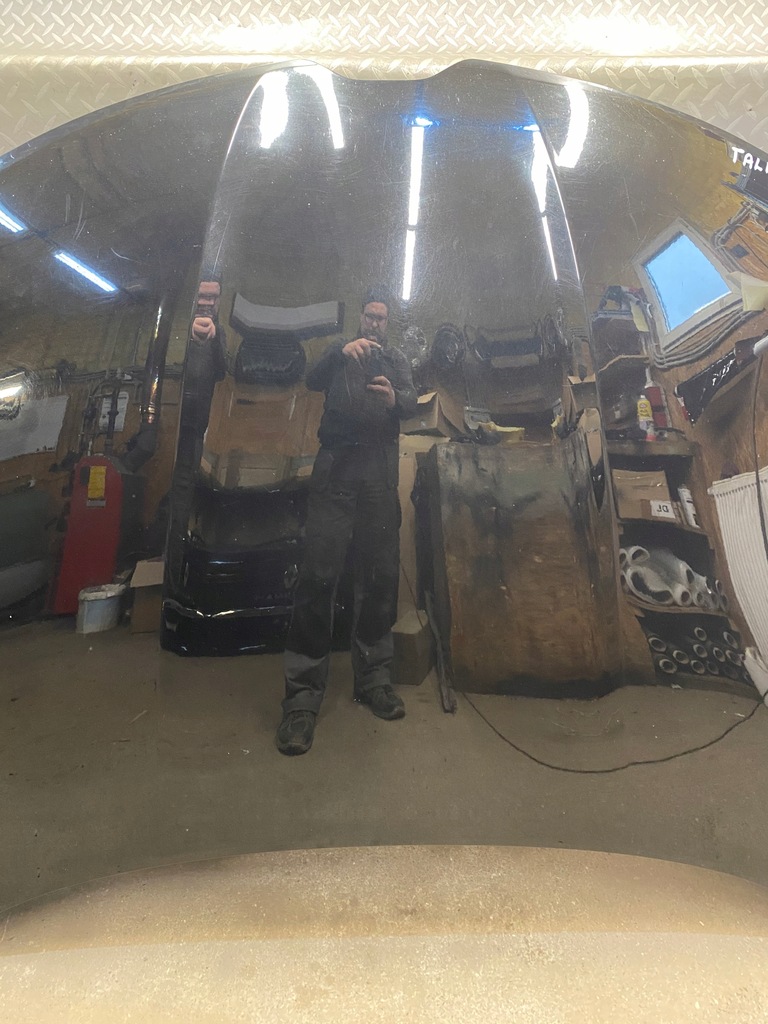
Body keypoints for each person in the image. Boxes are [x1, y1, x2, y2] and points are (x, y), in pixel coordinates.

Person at [276, 289, 418, 755]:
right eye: (369, 316)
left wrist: (395, 397)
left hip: (378, 471)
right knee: (318, 576)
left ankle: (374, 679)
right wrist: (340, 352)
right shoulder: (340, 351)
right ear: (360, 317)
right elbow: (311, 378)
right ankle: (301, 698)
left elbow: (412, 402)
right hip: (335, 469)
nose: (375, 323)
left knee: (379, 577)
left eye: (382, 318)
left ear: (387, 322)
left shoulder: (396, 359)